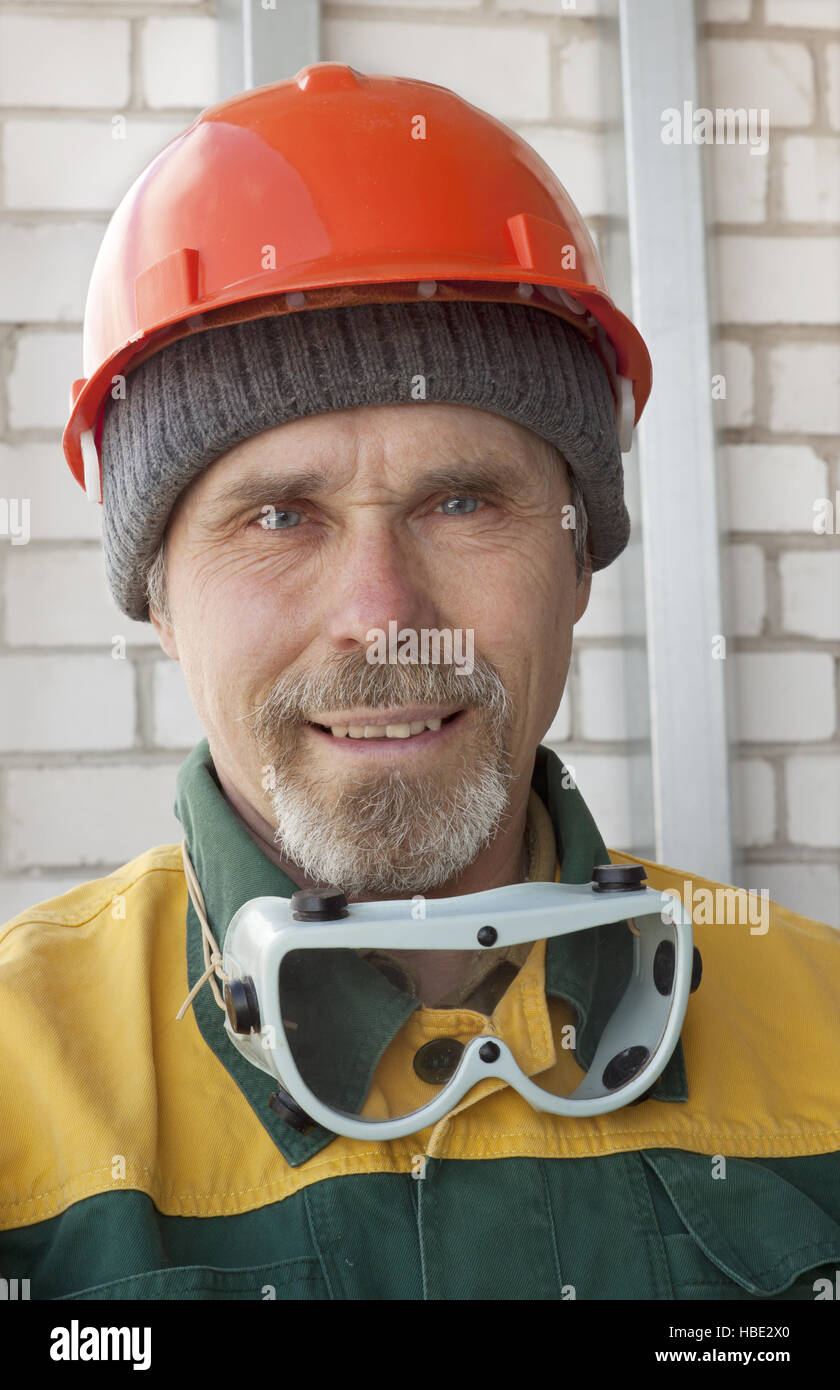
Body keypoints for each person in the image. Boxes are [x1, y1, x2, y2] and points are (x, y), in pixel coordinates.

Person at [2, 63, 839, 1302]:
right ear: (161, 600)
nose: (384, 618)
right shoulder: (21, 1078)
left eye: (462, 501)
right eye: (280, 515)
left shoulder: (821, 1024)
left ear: (580, 559)